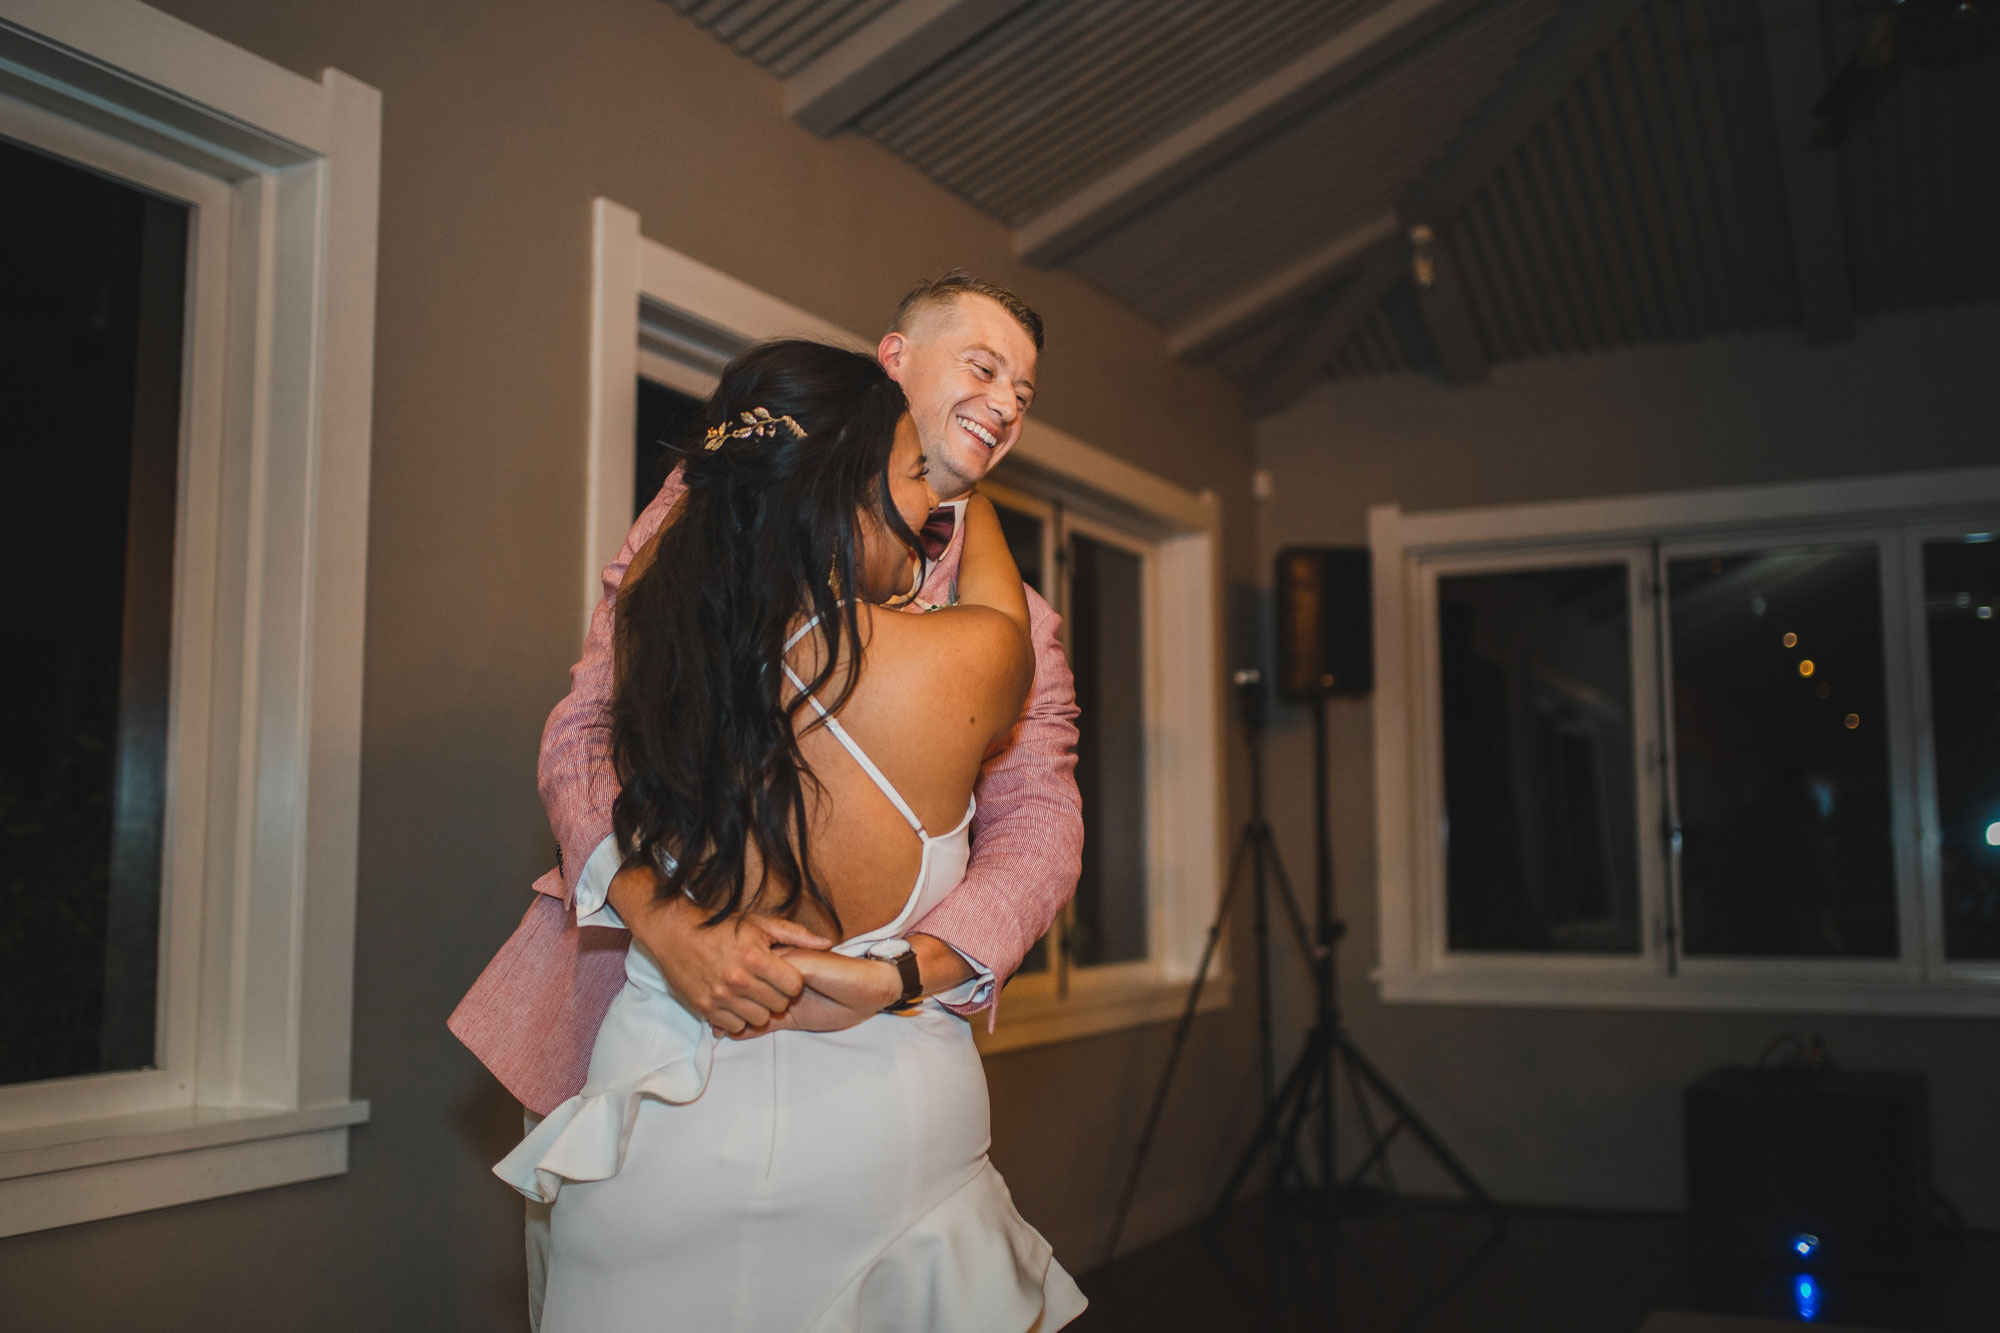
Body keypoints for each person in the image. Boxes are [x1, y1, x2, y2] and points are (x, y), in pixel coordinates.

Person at [447, 273, 1083, 1324]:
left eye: (1024, 387)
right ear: (893, 363)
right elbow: (581, 733)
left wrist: (906, 972)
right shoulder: (701, 528)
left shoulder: (1023, 620)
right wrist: (657, 915)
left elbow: (1042, 823)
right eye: (983, 366)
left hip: (884, 1062)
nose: (1008, 400)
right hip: (659, 1046)